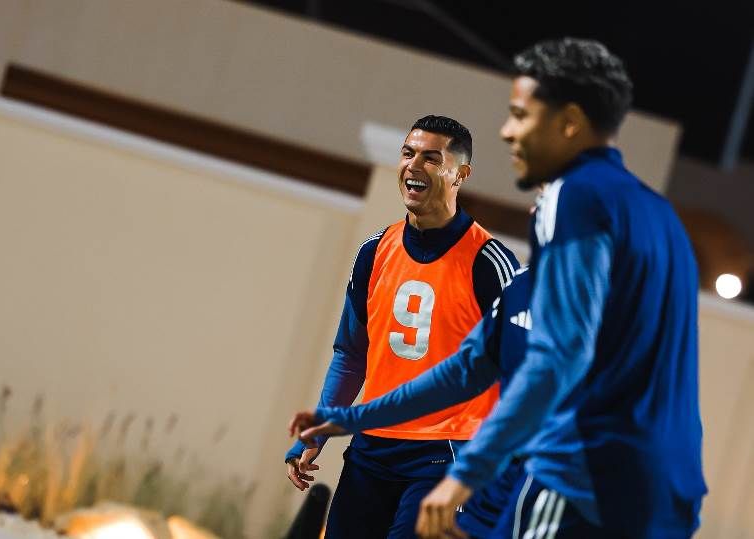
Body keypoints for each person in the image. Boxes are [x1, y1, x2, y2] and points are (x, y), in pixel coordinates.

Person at [294, 38, 707, 538]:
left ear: (568, 122)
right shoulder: (662, 219)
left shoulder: (574, 199)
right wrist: (347, 418)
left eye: (520, 115)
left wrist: (467, 475)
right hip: (670, 490)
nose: (508, 132)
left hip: (588, 478)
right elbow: (475, 363)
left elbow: (553, 360)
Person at [285, 115, 519, 538]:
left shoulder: (490, 264)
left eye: (432, 158)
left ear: (461, 174)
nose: (414, 165)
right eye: (408, 153)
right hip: (371, 448)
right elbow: (350, 354)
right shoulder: (374, 252)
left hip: (445, 455)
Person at [290, 266, 534, 538]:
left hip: (455, 457)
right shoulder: (523, 284)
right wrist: (342, 421)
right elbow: (457, 374)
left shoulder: (495, 266)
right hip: (373, 451)